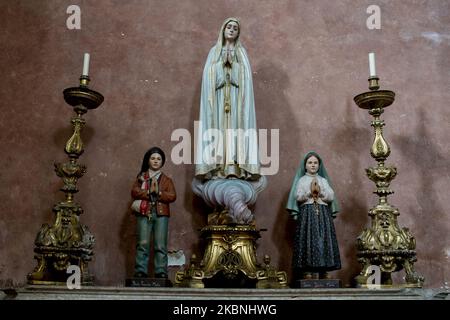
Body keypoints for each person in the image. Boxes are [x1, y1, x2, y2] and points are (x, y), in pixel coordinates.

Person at [195, 17, 260, 181]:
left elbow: (246, 79)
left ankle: (235, 169)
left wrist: (234, 66)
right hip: (218, 101)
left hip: (237, 101)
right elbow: (207, 78)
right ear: (223, 30)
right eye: (229, 27)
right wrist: (220, 65)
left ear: (238, 33)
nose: (231, 30)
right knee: (219, 131)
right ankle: (217, 169)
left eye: (235, 28)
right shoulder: (214, 52)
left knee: (235, 132)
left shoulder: (241, 53)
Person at [286, 151, 341, 280]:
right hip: (308, 214)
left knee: (324, 239)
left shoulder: (323, 180)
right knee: (308, 239)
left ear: (319, 165)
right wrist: (308, 193)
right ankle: (308, 271)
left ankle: (325, 270)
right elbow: (298, 196)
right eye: (310, 162)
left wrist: (322, 193)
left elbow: (331, 195)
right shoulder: (302, 180)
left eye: (315, 163)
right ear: (305, 165)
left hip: (322, 214)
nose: (313, 165)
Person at [131, 147, 176, 279]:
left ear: (162, 162)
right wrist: (149, 193)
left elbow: (172, 196)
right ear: (148, 160)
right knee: (143, 243)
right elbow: (134, 191)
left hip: (161, 214)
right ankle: (140, 271)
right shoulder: (141, 178)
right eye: (153, 158)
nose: (156, 161)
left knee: (160, 244)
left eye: (158, 159)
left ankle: (161, 271)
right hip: (145, 213)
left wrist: (160, 193)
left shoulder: (167, 180)